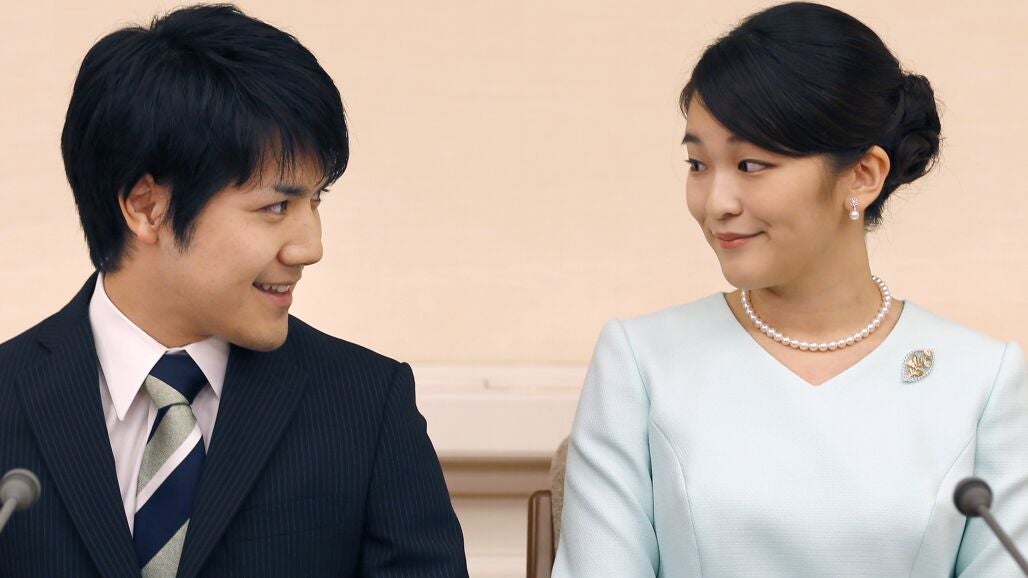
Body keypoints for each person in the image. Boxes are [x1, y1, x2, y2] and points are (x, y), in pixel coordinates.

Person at [552, 2, 1027, 576]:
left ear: (863, 176)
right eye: (698, 164)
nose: (716, 203)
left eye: (751, 165)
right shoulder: (641, 361)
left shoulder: (983, 378)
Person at [0, 5, 468, 577]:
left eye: (315, 201)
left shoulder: (367, 407)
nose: (310, 247)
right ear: (147, 207)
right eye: (277, 207)